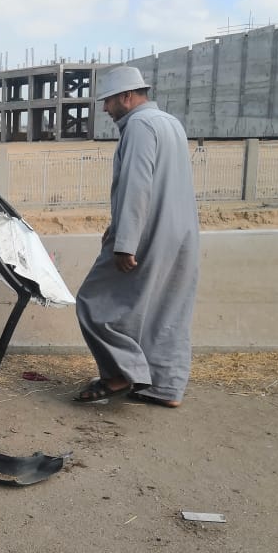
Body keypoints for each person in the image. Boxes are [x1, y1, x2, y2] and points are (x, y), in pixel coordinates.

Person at [74, 65, 199, 407]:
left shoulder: (140, 126)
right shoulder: (170, 123)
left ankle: (119, 374)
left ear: (127, 97)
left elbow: (137, 184)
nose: (105, 108)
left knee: (92, 300)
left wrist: (125, 242)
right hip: (181, 233)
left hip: (146, 233)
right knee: (167, 309)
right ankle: (165, 387)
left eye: (108, 100)